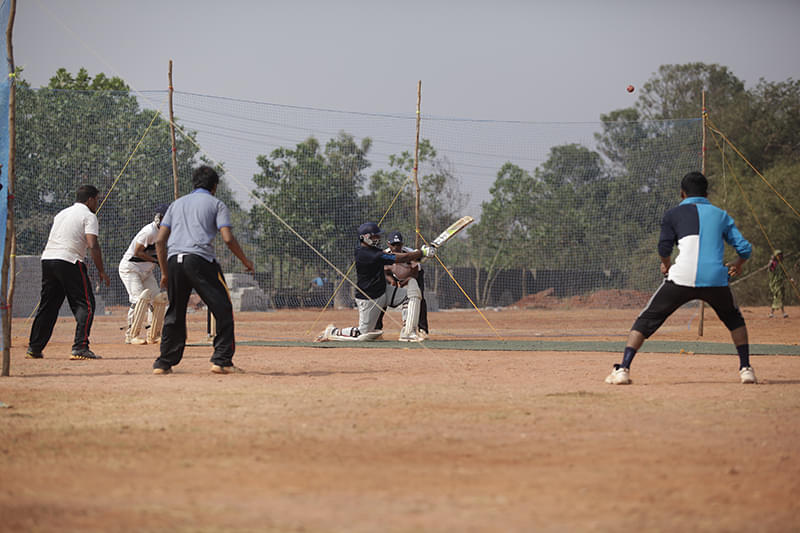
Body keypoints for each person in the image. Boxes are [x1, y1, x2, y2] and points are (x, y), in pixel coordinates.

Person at [605, 171, 757, 385]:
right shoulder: (721, 215)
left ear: (682, 194)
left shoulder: (672, 214)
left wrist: (666, 266)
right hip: (715, 279)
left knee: (646, 320)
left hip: (681, 278)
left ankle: (623, 369)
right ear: (706, 193)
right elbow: (745, 248)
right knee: (735, 320)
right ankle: (746, 369)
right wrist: (738, 265)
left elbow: (664, 248)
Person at [151, 165, 254, 375]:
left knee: (175, 311)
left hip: (174, 261)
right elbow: (227, 238)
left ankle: (163, 363)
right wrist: (245, 261)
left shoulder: (176, 204)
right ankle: (222, 360)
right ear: (214, 186)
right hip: (199, 260)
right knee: (223, 307)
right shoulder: (217, 204)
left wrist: (164, 272)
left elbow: (160, 241)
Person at [26, 185, 111, 360]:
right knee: (86, 304)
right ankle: (80, 347)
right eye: (97, 200)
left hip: (48, 259)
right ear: (90, 200)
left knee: (48, 306)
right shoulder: (89, 216)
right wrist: (101, 271)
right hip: (70, 260)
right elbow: (92, 244)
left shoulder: (62, 213)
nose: (97, 203)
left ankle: (34, 348)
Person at [315, 222, 435, 342]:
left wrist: (419, 256)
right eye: (375, 236)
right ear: (366, 237)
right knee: (363, 334)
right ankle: (332, 332)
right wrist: (421, 253)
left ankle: (408, 333)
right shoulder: (366, 254)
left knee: (411, 295)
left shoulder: (373, 250)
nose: (378, 239)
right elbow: (399, 258)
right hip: (370, 298)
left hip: (384, 291)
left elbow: (401, 258)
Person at [119, 203, 170, 344]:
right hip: (131, 268)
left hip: (147, 271)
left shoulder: (166, 232)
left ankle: (154, 334)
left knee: (158, 299)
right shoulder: (149, 231)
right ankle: (131, 335)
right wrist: (157, 261)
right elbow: (137, 252)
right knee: (139, 299)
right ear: (160, 218)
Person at [374, 230, 430, 337]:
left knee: (420, 298)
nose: (396, 247)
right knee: (381, 298)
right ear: (388, 244)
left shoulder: (410, 253)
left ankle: (422, 329)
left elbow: (415, 273)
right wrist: (391, 280)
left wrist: (404, 282)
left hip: (412, 277)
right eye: (393, 245)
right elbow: (383, 272)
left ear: (402, 244)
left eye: (398, 244)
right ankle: (376, 329)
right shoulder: (384, 255)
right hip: (392, 278)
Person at [768, 250, 790, 318]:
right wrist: (771, 263)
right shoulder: (773, 263)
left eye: (780, 255)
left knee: (779, 297)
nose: (779, 256)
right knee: (779, 297)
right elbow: (770, 269)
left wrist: (790, 278)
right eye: (778, 255)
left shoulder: (781, 264)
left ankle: (771, 313)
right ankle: (783, 313)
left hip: (781, 283)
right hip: (775, 283)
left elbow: (785, 273)